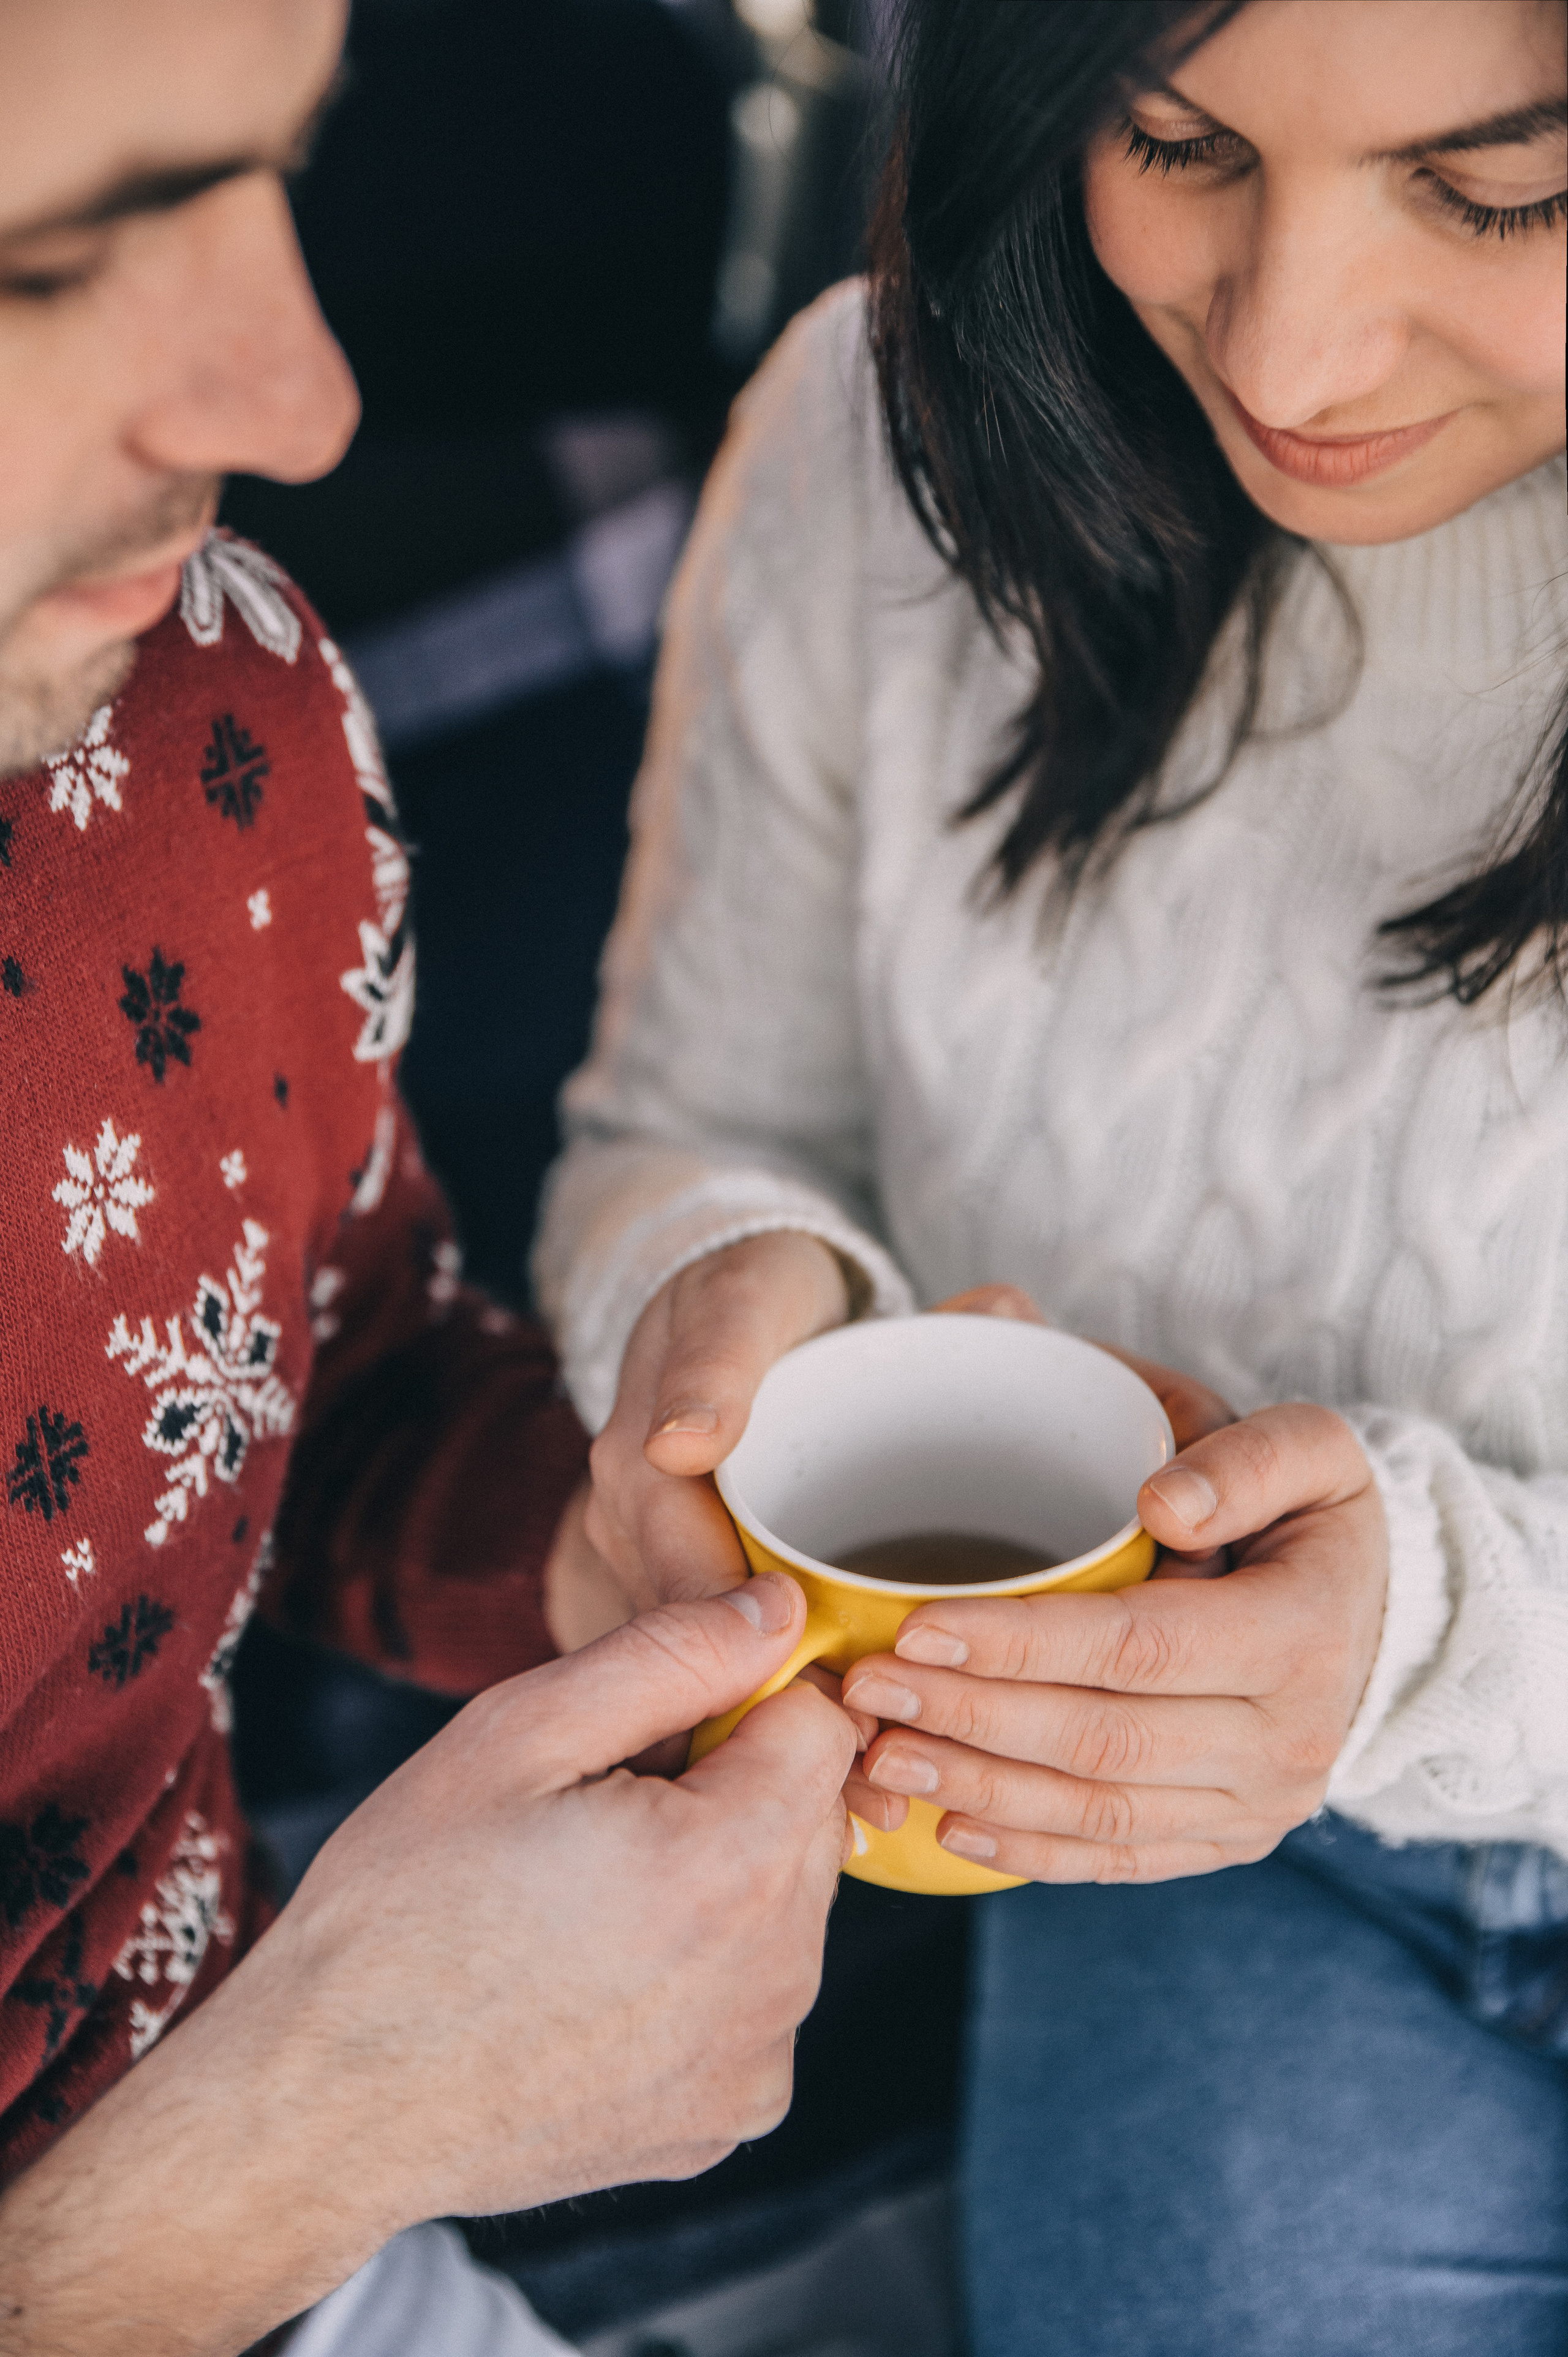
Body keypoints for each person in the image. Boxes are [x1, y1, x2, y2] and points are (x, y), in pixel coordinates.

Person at [534, 1, 1568, 2349]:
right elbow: (692, 1126)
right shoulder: (868, 442)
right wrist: (725, 1289)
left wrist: (1429, 1640)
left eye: (1500, 190)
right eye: (1173, 142)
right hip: (1234, 1870)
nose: (1289, 353)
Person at [0, 4, 856, 2353]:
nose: (304, 409)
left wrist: (594, 1541)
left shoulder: (205, 706)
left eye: (274, 173)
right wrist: (313, 2138)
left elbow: (304, 1386)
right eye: (53, 262)